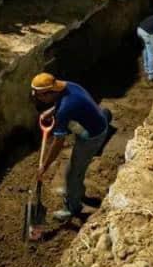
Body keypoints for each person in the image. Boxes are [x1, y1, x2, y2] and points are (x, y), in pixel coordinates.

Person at [31, 73, 110, 221]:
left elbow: (57, 143)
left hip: (92, 135)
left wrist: (45, 166)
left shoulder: (65, 109)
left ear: (50, 93)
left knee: (73, 172)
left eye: (40, 96)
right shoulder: (67, 86)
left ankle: (72, 207)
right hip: (94, 120)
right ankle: (75, 191)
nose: (38, 99)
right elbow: (59, 103)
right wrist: (50, 112)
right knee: (74, 170)